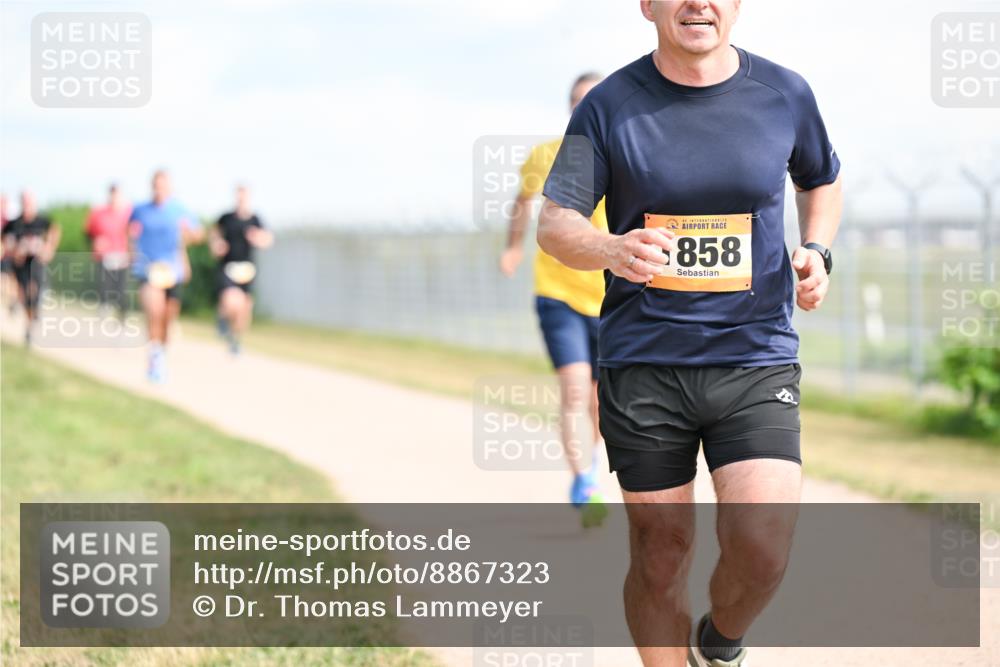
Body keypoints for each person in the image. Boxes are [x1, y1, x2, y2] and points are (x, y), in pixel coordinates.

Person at [537, 1, 842, 665]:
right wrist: (612, 249)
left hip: (754, 358)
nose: (698, 2)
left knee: (762, 547)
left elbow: (820, 179)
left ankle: (719, 641)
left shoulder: (784, 93)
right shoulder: (610, 104)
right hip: (645, 362)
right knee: (660, 550)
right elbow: (556, 223)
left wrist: (817, 250)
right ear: (648, 5)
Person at [500, 73, 609, 521]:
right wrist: (511, 245)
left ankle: (593, 465)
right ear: (570, 108)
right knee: (574, 389)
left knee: (601, 404)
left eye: (595, 100)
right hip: (557, 292)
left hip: (609, 297)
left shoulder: (623, 154)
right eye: (579, 102)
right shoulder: (544, 156)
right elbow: (522, 204)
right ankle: (583, 481)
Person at [129, 170, 203, 382]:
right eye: (156, 185)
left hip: (173, 271)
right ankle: (154, 357)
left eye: (164, 185)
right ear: (152, 186)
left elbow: (198, 235)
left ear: (170, 188)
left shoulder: (179, 209)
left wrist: (187, 235)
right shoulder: (140, 209)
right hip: (148, 268)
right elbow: (128, 230)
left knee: (168, 317)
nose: (160, 189)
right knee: (155, 310)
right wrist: (132, 252)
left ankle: (161, 351)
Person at [209, 184, 272, 355]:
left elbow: (268, 239)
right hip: (228, 267)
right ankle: (223, 317)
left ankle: (235, 338)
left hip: (247, 270)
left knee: (244, 309)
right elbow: (214, 235)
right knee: (231, 300)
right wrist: (216, 245)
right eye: (239, 196)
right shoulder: (226, 218)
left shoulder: (255, 220)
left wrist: (258, 239)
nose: (241, 199)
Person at [6, 190, 61, 345]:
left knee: (35, 292)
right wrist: (14, 251)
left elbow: (55, 230)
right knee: (25, 294)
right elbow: (6, 241)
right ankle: (29, 324)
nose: (27, 206)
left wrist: (49, 248)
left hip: (37, 262)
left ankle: (32, 321)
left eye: (30, 202)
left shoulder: (42, 221)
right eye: (25, 202)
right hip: (21, 264)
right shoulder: (14, 224)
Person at [85, 183, 132, 319]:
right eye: (112, 194)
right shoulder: (98, 212)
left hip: (122, 253)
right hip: (104, 254)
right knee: (105, 283)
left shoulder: (129, 212)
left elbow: (135, 233)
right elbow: (88, 232)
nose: (114, 197)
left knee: (121, 286)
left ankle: (122, 312)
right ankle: (104, 305)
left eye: (116, 194)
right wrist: (95, 242)